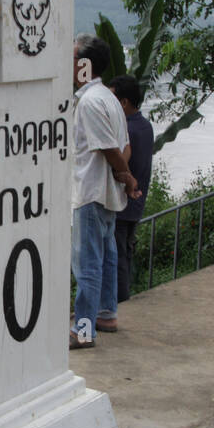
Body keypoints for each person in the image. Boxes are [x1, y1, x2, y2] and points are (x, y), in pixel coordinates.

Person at [71, 35, 141, 348]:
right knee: (108, 256)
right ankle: (106, 313)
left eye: (73, 58)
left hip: (90, 190)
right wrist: (123, 176)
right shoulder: (110, 98)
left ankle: (83, 330)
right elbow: (124, 146)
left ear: (84, 65)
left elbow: (110, 149)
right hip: (108, 192)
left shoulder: (88, 102)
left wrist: (124, 174)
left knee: (87, 263)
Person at [110, 75, 154, 302]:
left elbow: (121, 164)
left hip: (123, 201)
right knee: (124, 253)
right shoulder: (145, 126)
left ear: (124, 102)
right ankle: (123, 298)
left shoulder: (126, 130)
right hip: (137, 202)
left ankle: (119, 301)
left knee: (116, 257)